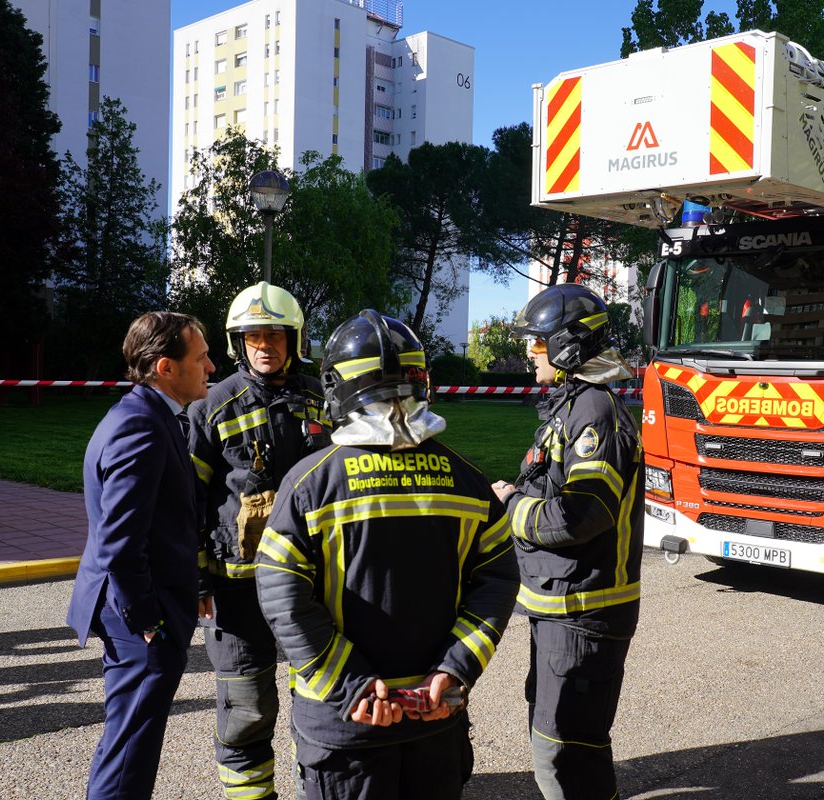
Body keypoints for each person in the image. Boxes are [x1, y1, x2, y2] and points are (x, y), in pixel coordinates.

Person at [256, 309, 519, 800]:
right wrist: (453, 670)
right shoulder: (467, 479)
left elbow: (280, 594)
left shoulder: (311, 483)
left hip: (345, 724)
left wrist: (350, 684)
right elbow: (499, 582)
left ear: (337, 387)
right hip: (434, 718)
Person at [490, 284, 645, 800]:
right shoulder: (573, 405)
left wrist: (512, 505)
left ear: (567, 347)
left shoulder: (594, 412)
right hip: (561, 606)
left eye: (536, 343)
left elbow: (583, 514)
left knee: (562, 752)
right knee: (568, 741)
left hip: (584, 611)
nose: (527, 352)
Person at [186, 282, 331, 800]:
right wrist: (198, 577)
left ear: (293, 338)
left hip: (312, 586)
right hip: (236, 587)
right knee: (245, 706)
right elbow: (189, 502)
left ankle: (320, 787)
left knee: (319, 696)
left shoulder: (322, 398)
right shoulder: (212, 405)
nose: (263, 345)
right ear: (237, 343)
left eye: (273, 335)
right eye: (252, 337)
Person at [66, 311, 216, 799]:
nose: (211, 367)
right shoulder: (142, 426)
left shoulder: (149, 414)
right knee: (130, 748)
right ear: (165, 368)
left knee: (129, 742)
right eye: (201, 358)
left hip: (141, 613)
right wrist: (149, 620)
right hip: (139, 621)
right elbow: (119, 542)